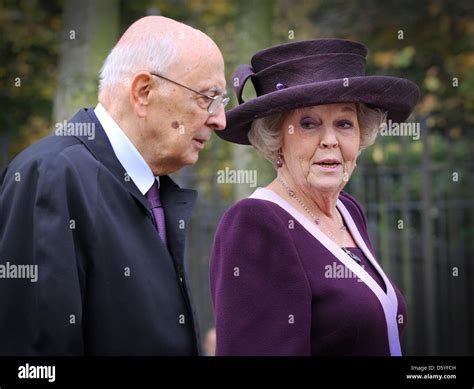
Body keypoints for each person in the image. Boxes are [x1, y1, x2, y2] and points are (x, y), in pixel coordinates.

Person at [0, 15, 228, 355]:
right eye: (207, 98)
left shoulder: (152, 189)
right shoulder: (51, 176)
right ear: (143, 92)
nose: (219, 119)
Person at [210, 39, 419, 356]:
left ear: (361, 134)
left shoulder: (347, 212)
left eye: (344, 123)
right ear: (277, 137)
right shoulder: (255, 224)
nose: (330, 140)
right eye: (308, 124)